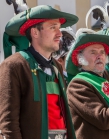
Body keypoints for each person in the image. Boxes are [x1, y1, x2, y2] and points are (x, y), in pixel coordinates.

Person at [0, 5, 78, 139]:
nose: (60, 33)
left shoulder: (56, 67)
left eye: (59, 28)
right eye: (53, 27)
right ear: (35, 33)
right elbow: (9, 123)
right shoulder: (13, 65)